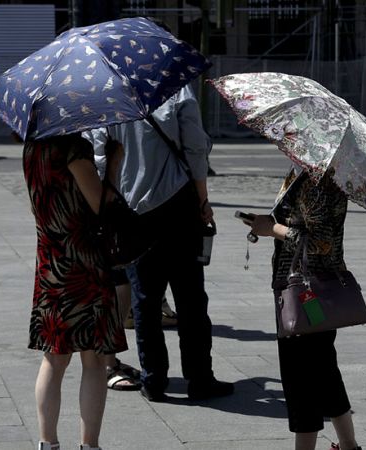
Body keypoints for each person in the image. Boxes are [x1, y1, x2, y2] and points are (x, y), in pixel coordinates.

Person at [87, 85, 233, 403]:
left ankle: (154, 380)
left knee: (145, 300)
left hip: (132, 208)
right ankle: (199, 379)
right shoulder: (178, 90)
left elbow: (99, 154)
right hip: (179, 205)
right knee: (191, 299)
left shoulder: (109, 95)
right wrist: (203, 199)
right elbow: (195, 148)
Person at [242, 168, 361, 450]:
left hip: (305, 292)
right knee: (323, 369)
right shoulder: (313, 175)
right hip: (310, 289)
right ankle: (348, 445)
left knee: (301, 379)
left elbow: (321, 243)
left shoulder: (315, 182)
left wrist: (270, 228)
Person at [23, 133, 127, 450]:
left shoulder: (32, 147)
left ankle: (47, 443)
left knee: (53, 360)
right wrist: (114, 165)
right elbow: (100, 204)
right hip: (84, 265)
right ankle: (89, 445)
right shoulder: (74, 148)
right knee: (93, 362)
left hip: (50, 262)